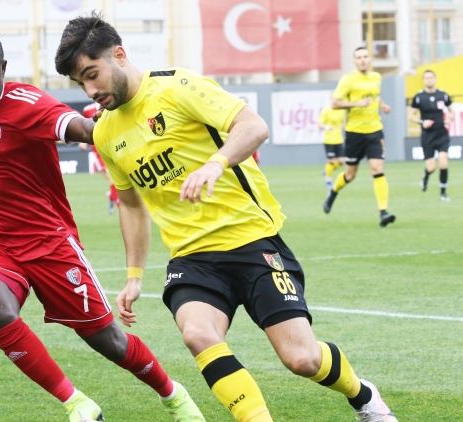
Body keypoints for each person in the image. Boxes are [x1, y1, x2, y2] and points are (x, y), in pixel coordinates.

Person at [55, 14, 398, 422]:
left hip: (252, 239)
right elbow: (130, 204)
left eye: (92, 75)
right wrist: (133, 276)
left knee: (302, 359)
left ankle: (363, 396)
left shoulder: (177, 86)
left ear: (119, 54)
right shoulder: (105, 132)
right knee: (197, 333)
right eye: (80, 83)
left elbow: (254, 126)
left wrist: (215, 163)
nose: (91, 91)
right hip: (191, 258)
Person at [0, 30, 204, 422]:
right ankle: (77, 403)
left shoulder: (29, 104)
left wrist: (112, 123)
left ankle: (172, 395)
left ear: (4, 69)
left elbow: (82, 130)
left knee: (110, 342)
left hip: (50, 244)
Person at [323, 47, 396, 227]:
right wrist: (358, 103)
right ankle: (333, 192)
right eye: (359, 57)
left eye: (365, 56)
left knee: (377, 169)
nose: (363, 60)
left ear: (370, 59)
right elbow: (334, 103)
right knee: (350, 174)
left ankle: (383, 213)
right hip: (354, 133)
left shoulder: (376, 77)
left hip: (375, 131)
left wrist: (383, 105)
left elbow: (375, 96)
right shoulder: (348, 79)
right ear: (354, 62)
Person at [408, 70, 454, 201]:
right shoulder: (419, 97)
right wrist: (422, 122)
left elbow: (451, 111)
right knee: (431, 167)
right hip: (428, 135)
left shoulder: (443, 95)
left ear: (435, 79)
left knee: (443, 162)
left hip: (441, 133)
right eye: (426, 78)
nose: (429, 80)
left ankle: (443, 193)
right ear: (423, 80)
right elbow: (411, 115)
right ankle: (426, 176)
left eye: (431, 77)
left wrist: (449, 118)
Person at [78, 102, 120, 213]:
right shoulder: (88, 109)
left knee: (118, 181)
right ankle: (123, 209)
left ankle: (111, 196)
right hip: (98, 152)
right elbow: (85, 128)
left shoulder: (113, 106)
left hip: (114, 149)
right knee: (111, 179)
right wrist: (83, 142)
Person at [317, 104, 346, 189]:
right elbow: (319, 124)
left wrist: (345, 125)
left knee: (341, 161)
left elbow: (343, 122)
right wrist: (326, 127)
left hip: (339, 139)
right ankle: (328, 181)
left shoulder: (342, 110)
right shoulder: (326, 111)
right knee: (331, 161)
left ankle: (327, 171)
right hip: (329, 140)